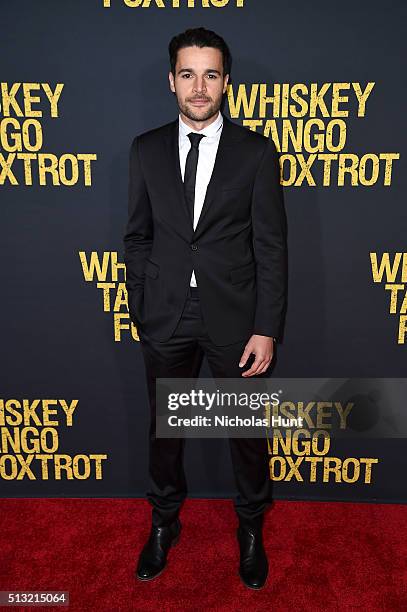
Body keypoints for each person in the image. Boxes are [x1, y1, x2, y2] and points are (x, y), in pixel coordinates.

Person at [123, 26, 288, 590]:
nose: (199, 87)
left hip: (235, 318)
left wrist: (266, 327)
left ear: (226, 81)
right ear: (171, 82)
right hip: (166, 316)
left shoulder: (256, 151)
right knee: (165, 434)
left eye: (210, 74)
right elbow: (137, 236)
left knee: (245, 430)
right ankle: (164, 524)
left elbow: (270, 246)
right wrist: (141, 304)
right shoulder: (145, 149)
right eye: (188, 74)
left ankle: (250, 528)